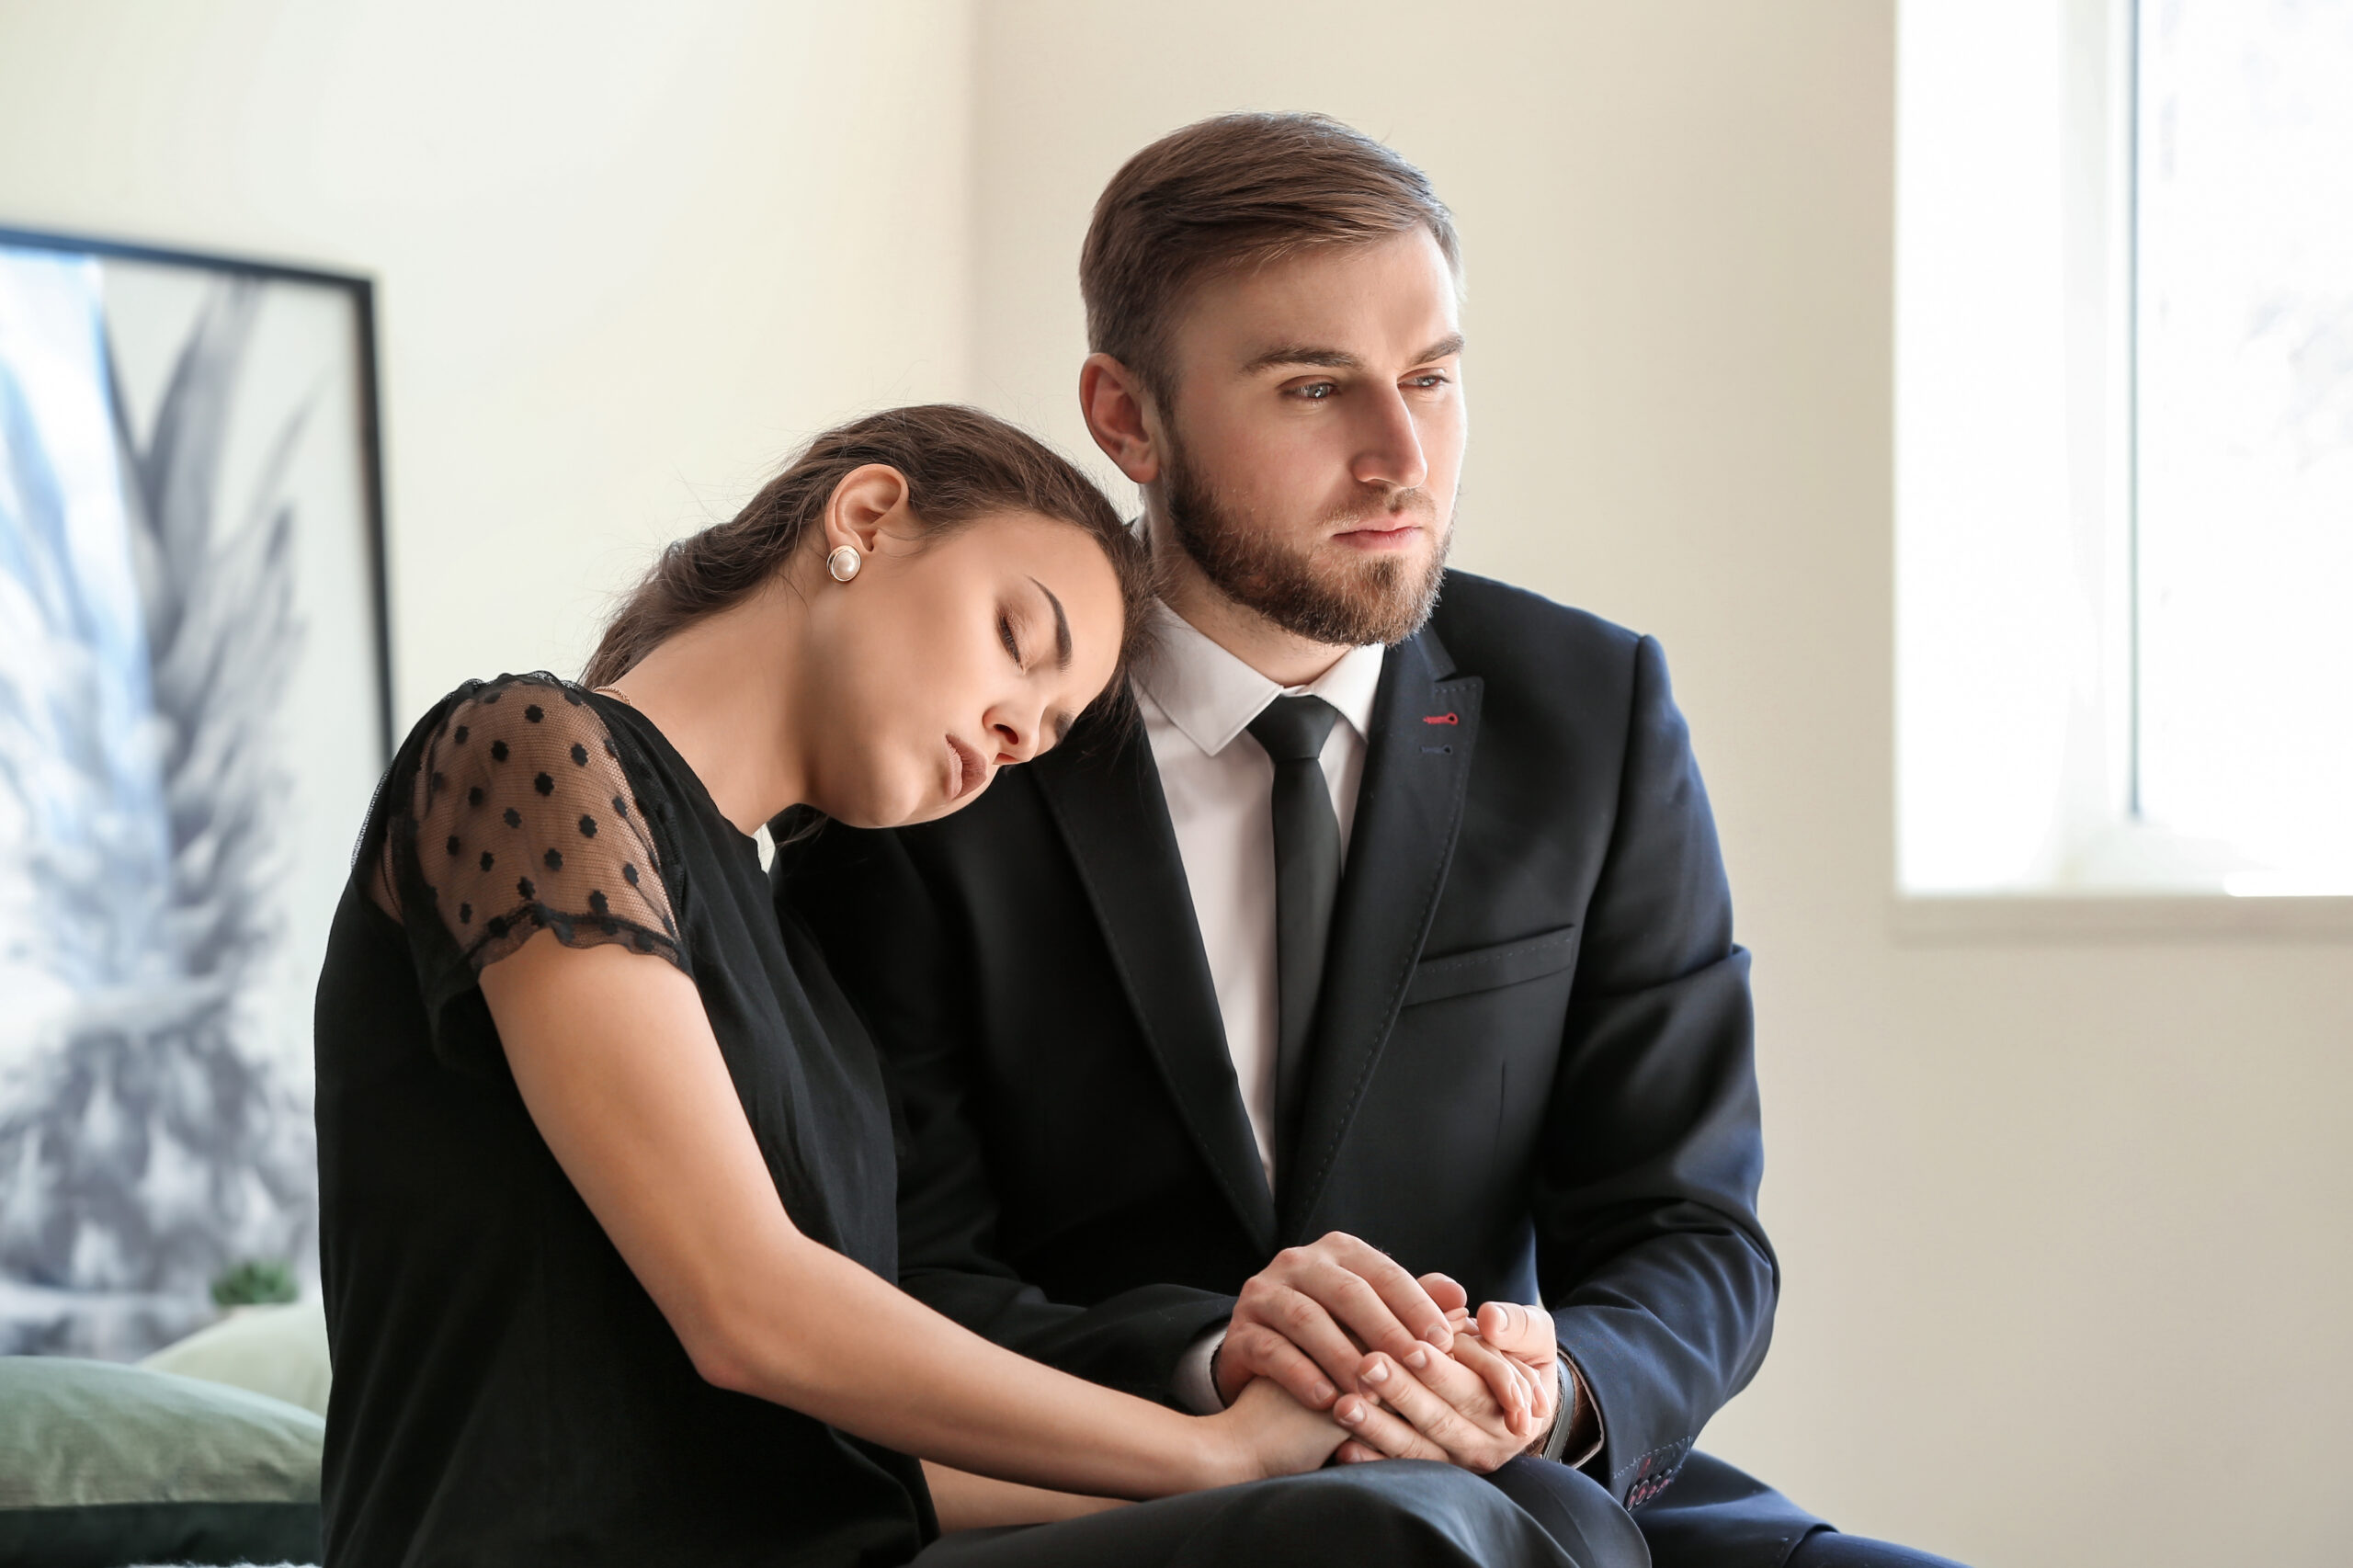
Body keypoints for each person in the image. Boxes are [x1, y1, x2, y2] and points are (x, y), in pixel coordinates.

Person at [776, 119, 1972, 1568]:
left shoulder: (1591, 712)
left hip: (1533, 1481)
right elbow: (900, 1270)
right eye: (1312, 387)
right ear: (1126, 417)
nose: (1401, 457)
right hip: (1104, 1496)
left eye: (1431, 381)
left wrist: (1549, 1384)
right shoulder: (949, 752)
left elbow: (1691, 1230)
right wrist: (1217, 1359)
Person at [313, 404, 1623, 1567]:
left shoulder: (808, 986)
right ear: (868, 519)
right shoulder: (529, 754)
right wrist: (1215, 1457)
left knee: (1515, 1510)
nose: (1012, 735)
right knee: (1375, 1537)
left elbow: (860, 1464)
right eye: (1018, 640)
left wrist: (1313, 1434)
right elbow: (747, 1309)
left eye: (1048, 730)